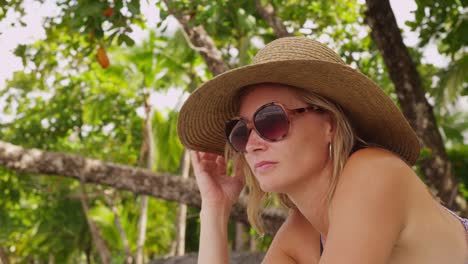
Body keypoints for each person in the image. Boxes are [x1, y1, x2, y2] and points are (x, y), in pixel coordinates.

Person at [177, 37, 468, 263]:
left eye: (271, 120)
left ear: (329, 124)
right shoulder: (301, 234)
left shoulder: (373, 172)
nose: (252, 144)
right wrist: (215, 209)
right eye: (240, 132)